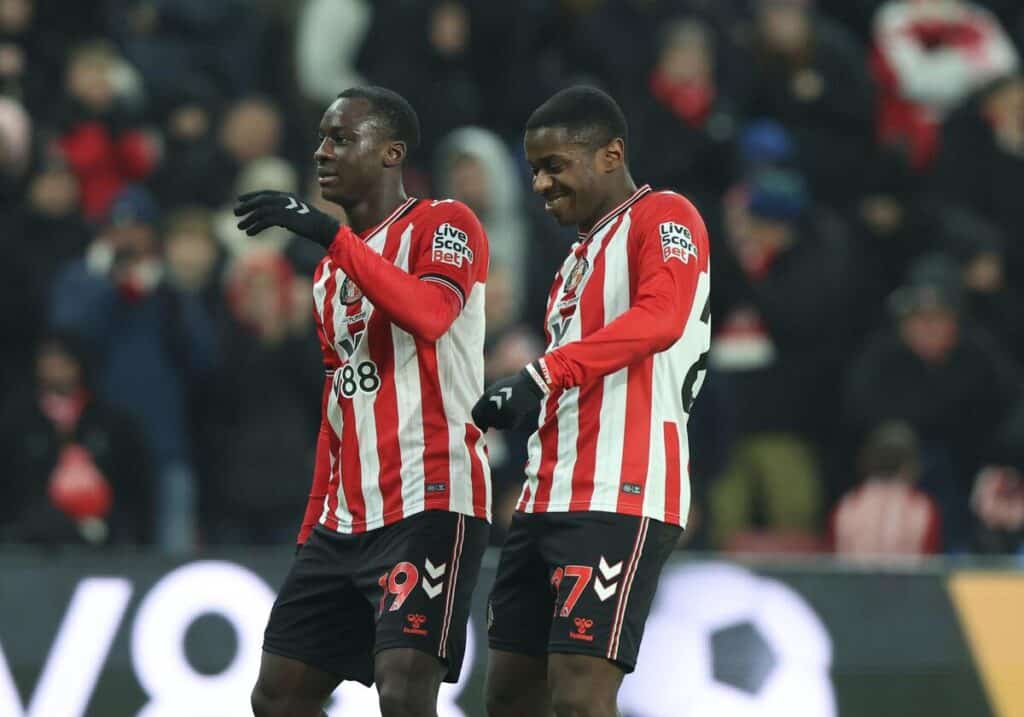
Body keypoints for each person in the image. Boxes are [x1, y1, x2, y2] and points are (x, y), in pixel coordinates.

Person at [233, 86, 491, 717]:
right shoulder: (327, 276)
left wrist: (327, 234)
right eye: (321, 138)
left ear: (390, 152)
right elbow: (338, 407)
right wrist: (311, 524)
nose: (322, 152)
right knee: (277, 697)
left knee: (403, 691)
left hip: (430, 499)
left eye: (342, 138)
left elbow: (430, 313)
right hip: (343, 521)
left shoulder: (444, 222)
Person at [472, 86, 711, 717]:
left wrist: (541, 374)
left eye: (555, 166)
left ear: (610, 154)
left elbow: (661, 318)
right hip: (546, 493)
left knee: (581, 692)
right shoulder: (576, 261)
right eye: (534, 170)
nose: (541, 184)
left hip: (620, 489)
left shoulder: (665, 216)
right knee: (509, 695)